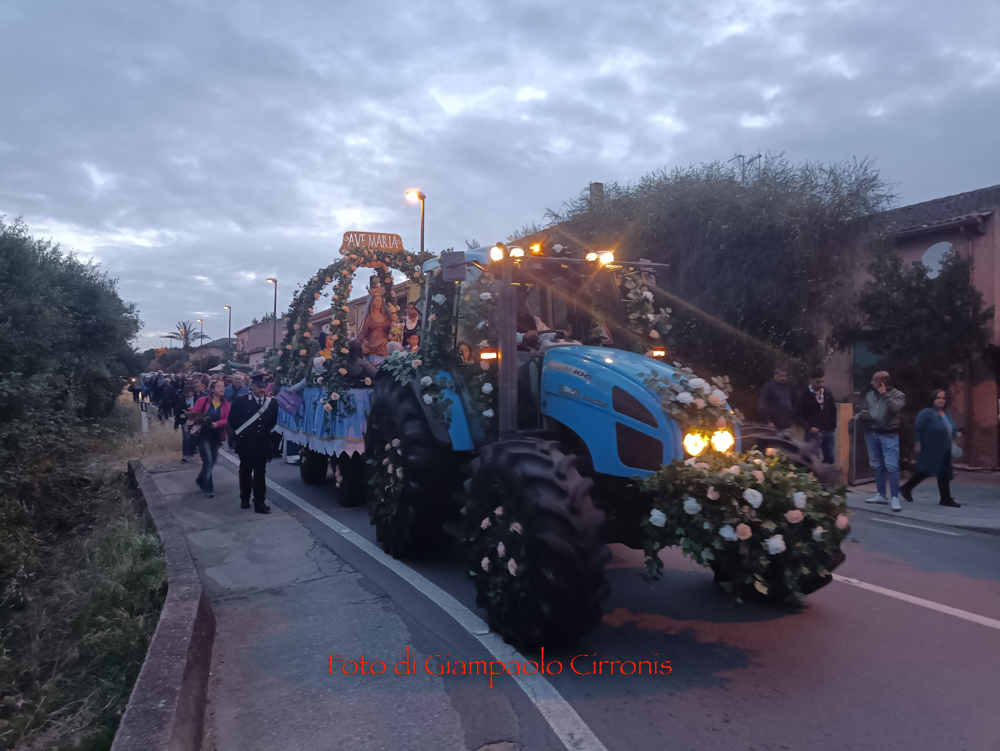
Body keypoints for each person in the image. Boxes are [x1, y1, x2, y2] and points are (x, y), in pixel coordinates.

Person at [229, 371, 279, 513]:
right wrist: (241, 435)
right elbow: (232, 420)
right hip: (246, 443)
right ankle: (244, 497)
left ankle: (259, 502)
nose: (261, 389)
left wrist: (272, 444)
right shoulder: (241, 401)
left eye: (263, 386)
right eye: (258, 386)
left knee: (260, 473)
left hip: (263, 443)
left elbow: (274, 423)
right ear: (252, 386)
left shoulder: (272, 403)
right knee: (245, 471)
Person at [900, 390, 961, 508]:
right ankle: (907, 488)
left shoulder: (946, 414)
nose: (941, 400)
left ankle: (944, 498)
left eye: (943, 398)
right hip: (931, 447)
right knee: (929, 470)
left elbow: (951, 430)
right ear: (932, 399)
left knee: (940, 472)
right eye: (938, 398)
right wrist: (917, 444)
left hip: (944, 447)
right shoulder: (926, 413)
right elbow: (918, 429)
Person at [861, 371, 906, 511]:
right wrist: (864, 415)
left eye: (874, 381)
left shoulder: (898, 394)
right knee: (877, 465)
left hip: (889, 434)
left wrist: (885, 394)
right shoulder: (870, 395)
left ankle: (895, 498)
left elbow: (896, 407)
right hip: (871, 433)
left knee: (892, 466)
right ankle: (881, 495)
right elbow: (864, 409)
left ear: (883, 382)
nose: (871, 383)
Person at [191, 379, 230, 498]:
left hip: (217, 435)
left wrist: (217, 424)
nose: (222, 388)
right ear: (212, 389)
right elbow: (193, 413)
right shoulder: (203, 400)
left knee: (212, 461)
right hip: (203, 434)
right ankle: (208, 488)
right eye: (219, 386)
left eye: (223, 386)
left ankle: (200, 479)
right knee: (207, 461)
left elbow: (228, 419)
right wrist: (201, 419)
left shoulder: (226, 404)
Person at [795, 368, 838, 464]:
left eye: (822, 381)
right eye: (818, 382)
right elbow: (797, 415)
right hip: (813, 434)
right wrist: (809, 428)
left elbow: (833, 410)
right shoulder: (804, 395)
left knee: (830, 458)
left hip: (828, 431)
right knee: (812, 459)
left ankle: (824, 472)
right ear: (811, 380)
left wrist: (832, 426)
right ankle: (816, 473)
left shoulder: (827, 393)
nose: (821, 385)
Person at [758, 366, 795, 430]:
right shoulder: (768, 387)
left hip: (786, 425)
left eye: (785, 376)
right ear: (775, 375)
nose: (783, 378)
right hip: (772, 424)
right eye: (781, 376)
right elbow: (762, 405)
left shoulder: (787, 388)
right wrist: (768, 421)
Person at [358, 289, 391, 357]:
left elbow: (391, 330)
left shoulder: (386, 316)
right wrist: (361, 343)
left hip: (385, 344)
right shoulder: (369, 316)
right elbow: (363, 332)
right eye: (376, 300)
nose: (378, 303)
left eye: (380, 301)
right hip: (372, 345)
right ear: (372, 302)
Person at [224, 373, 249, 450]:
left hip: (241, 411)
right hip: (230, 411)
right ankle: (231, 442)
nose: (237, 380)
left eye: (239, 379)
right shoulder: (227, 389)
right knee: (230, 428)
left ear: (242, 381)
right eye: (236, 379)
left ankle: (238, 443)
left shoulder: (246, 389)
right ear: (232, 380)